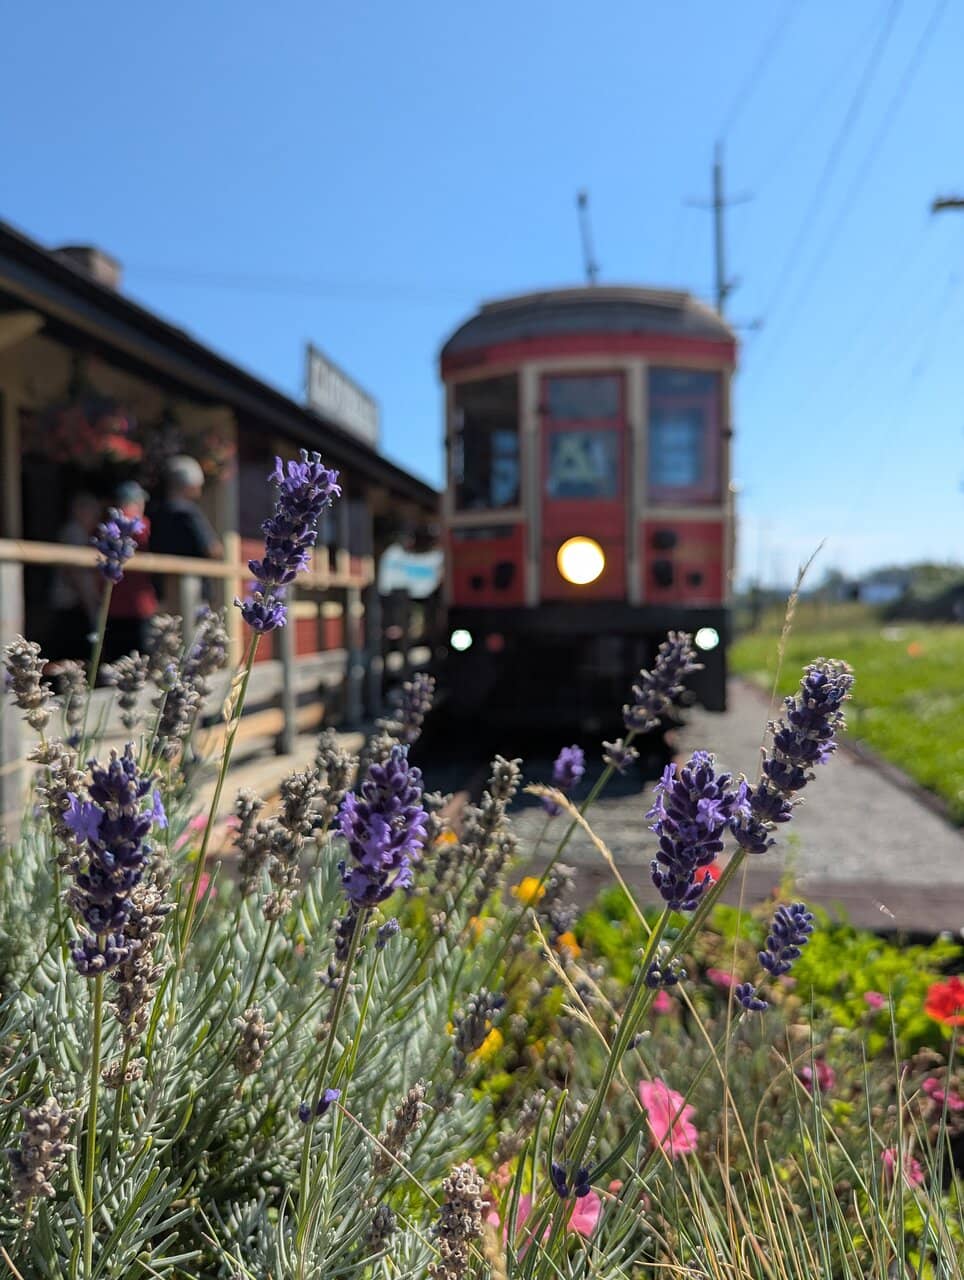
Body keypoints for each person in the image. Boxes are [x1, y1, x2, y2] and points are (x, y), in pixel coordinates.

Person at [149, 455, 223, 610]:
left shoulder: (157, 512)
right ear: (191, 484)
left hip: (163, 594)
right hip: (194, 592)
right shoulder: (189, 512)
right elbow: (212, 549)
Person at [103, 481, 158, 663]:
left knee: (115, 664)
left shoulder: (107, 524)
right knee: (140, 663)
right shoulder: (141, 523)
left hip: (111, 607)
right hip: (139, 606)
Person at [49, 492, 102, 663]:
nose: (94, 518)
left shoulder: (84, 534)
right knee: (72, 650)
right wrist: (89, 600)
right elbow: (73, 572)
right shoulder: (74, 532)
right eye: (91, 513)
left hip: (77, 602)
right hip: (73, 601)